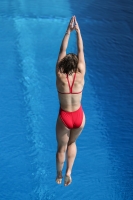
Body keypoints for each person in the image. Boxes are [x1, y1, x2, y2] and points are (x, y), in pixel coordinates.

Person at [55, 16, 86, 186]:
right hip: (79, 117)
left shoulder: (60, 76)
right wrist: (78, 32)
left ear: (63, 66)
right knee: (72, 143)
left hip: (65, 117)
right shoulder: (81, 75)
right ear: (76, 66)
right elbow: (81, 52)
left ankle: (59, 174)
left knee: (61, 147)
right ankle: (69, 172)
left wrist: (68, 31)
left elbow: (62, 50)